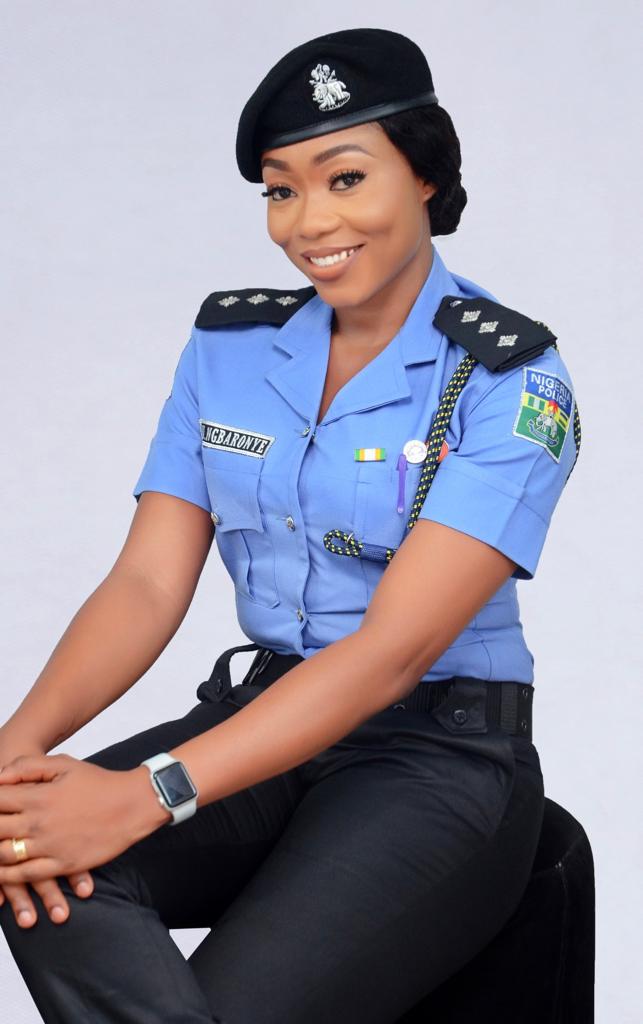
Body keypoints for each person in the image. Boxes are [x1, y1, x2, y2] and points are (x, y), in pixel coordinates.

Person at [0, 26, 581, 1024]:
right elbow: (145, 583)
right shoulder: (229, 348)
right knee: (22, 850)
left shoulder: (508, 380)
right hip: (258, 725)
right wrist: (14, 758)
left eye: (346, 178)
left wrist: (145, 793)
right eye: (280, 191)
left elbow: (392, 653)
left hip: (434, 758)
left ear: (425, 177)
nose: (309, 222)